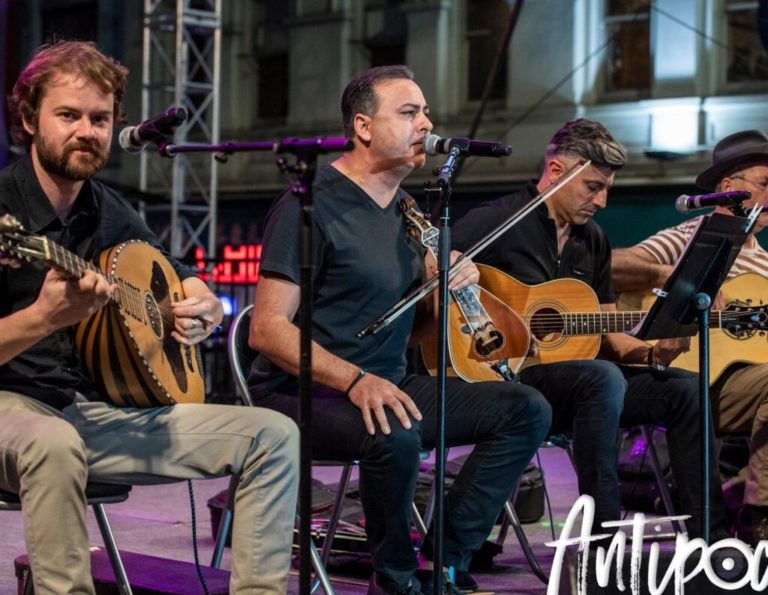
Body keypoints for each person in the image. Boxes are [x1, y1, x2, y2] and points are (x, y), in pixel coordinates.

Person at [0, 41, 299, 594]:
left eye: (100, 118)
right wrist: (42, 319)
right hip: (13, 410)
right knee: (52, 443)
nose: (86, 131)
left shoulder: (108, 207)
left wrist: (199, 297)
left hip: (88, 413)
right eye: (68, 115)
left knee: (273, 434)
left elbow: (170, 268)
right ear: (27, 118)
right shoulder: (6, 209)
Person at [247, 64, 551, 595]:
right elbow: (267, 330)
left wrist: (445, 287)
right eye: (409, 113)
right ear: (363, 127)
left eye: (426, 112)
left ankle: (445, 557)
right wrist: (353, 381)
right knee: (395, 433)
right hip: (303, 391)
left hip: (385, 382)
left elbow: (406, 334)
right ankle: (393, 577)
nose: (426, 125)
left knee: (526, 408)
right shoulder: (310, 204)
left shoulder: (409, 213)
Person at [451, 118, 728, 540]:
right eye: (593, 187)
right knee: (601, 377)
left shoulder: (592, 240)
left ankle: (711, 543)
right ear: (557, 171)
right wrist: (455, 269)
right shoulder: (499, 219)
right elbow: (436, 261)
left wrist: (652, 353)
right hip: (503, 377)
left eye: (607, 189)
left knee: (685, 390)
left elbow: (608, 329)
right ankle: (604, 541)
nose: (601, 201)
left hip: (584, 386)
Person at [612, 129, 768, 546]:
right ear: (729, 188)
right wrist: (676, 277)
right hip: (693, 379)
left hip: (751, 383)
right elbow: (612, 266)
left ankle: (738, 494)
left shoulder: (765, 262)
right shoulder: (689, 237)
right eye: (765, 184)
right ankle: (758, 517)